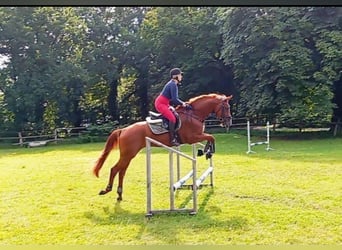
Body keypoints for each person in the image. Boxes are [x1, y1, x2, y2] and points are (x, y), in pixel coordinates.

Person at [154, 68, 190, 146]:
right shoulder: (173, 84)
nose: (181, 76)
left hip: (165, 103)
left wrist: (183, 103)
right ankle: (172, 139)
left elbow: (174, 99)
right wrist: (183, 104)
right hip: (161, 104)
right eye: (180, 75)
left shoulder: (173, 84)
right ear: (176, 76)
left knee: (176, 115)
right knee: (172, 118)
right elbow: (175, 99)